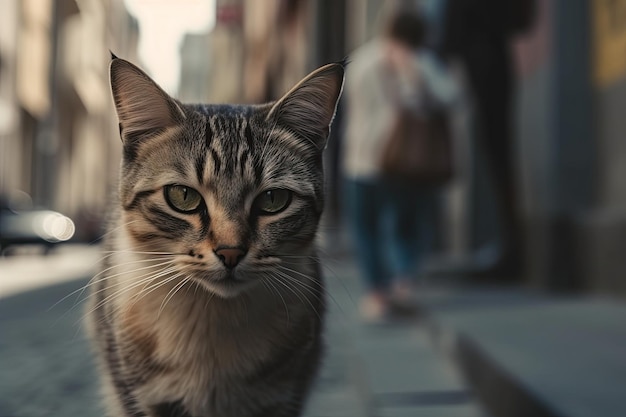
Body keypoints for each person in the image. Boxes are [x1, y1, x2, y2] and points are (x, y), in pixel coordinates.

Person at [342, 6, 458, 321]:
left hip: (360, 159)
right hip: (402, 160)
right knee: (405, 223)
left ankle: (377, 295)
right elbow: (450, 96)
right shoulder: (420, 60)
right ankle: (404, 282)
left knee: (366, 229)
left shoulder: (361, 60)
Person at [434, 0, 537, 281]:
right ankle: (507, 247)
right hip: (485, 51)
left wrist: (445, 45)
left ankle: (510, 250)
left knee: (497, 150)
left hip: (486, 52)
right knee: (494, 150)